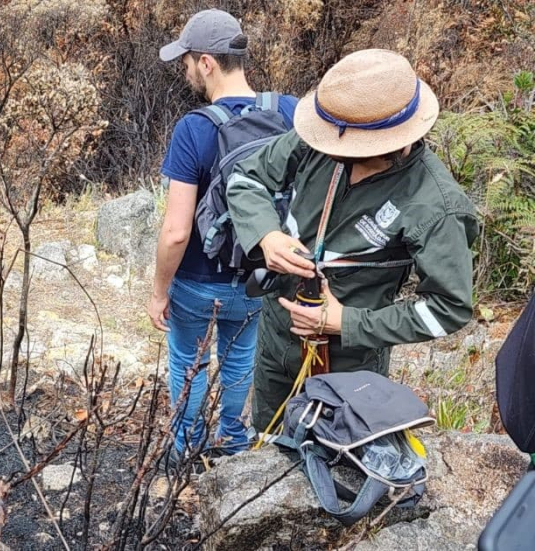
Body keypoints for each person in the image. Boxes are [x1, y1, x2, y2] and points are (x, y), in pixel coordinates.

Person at [226, 49, 478, 434]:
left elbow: (449, 307)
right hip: (278, 338)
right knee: (269, 441)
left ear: (394, 140)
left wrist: (347, 322)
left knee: (332, 459)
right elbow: (247, 179)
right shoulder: (325, 136)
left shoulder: (435, 205)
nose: (336, 154)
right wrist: (267, 235)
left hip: (348, 364)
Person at [148, 9, 299, 463]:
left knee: (188, 365)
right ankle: (233, 441)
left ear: (207, 63)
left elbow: (176, 232)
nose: (186, 70)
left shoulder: (195, 128)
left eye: (188, 61)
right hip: (260, 275)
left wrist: (158, 291)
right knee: (239, 360)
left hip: (197, 281)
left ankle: (185, 450)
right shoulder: (289, 112)